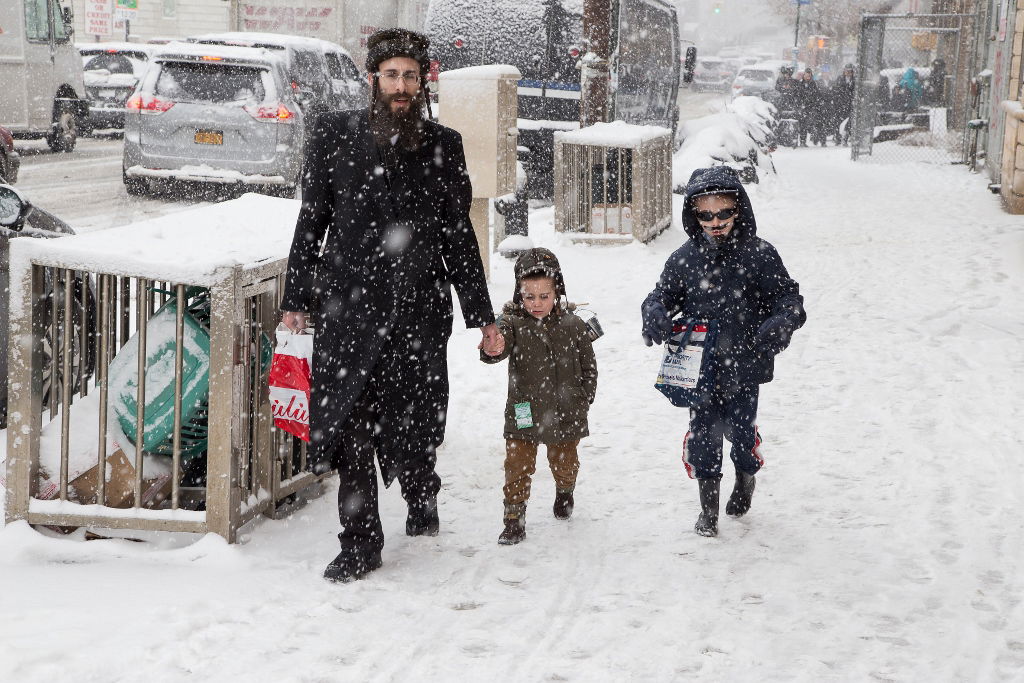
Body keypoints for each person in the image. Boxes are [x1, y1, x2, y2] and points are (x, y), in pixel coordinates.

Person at [280, 28, 505, 583]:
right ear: (373, 79)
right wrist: (296, 299)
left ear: (422, 80)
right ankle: (359, 541)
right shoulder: (333, 136)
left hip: (418, 311)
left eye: (409, 76)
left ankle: (421, 490)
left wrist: (481, 316)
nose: (400, 86)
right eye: (390, 75)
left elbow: (457, 236)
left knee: (417, 418)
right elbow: (313, 221)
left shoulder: (442, 145)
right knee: (350, 424)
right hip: (347, 311)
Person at [640, 166, 806, 538]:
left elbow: (788, 298)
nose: (715, 222)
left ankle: (746, 476)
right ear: (693, 214)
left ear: (738, 209)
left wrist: (782, 321)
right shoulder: (685, 258)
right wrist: (654, 311)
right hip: (699, 364)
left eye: (724, 213)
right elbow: (662, 295)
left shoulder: (760, 255)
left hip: (745, 363)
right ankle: (708, 508)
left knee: (741, 432)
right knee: (703, 434)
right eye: (705, 215)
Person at [480, 249, 598, 545]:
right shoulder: (512, 323)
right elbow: (500, 344)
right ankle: (513, 518)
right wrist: (493, 346)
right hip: (524, 409)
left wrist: (584, 397)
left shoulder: (573, 326)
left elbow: (589, 364)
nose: (536, 303)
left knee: (565, 463)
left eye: (544, 296)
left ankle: (565, 490)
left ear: (557, 291)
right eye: (529, 296)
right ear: (519, 293)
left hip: (565, 409)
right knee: (517, 466)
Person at [794, 68, 821, 147]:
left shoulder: (813, 84)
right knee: (802, 125)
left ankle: (812, 139)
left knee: (810, 124)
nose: (808, 76)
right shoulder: (800, 83)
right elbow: (796, 94)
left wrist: (813, 103)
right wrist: (800, 103)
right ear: (804, 75)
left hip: (811, 107)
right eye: (806, 75)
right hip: (802, 107)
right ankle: (802, 141)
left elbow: (816, 95)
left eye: (809, 75)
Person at [832, 63, 857, 145]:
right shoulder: (840, 79)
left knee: (849, 121)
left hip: (850, 104)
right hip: (840, 104)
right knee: (837, 121)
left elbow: (854, 92)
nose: (848, 73)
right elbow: (836, 90)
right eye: (847, 71)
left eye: (850, 71)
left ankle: (845, 137)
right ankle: (837, 138)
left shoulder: (854, 80)